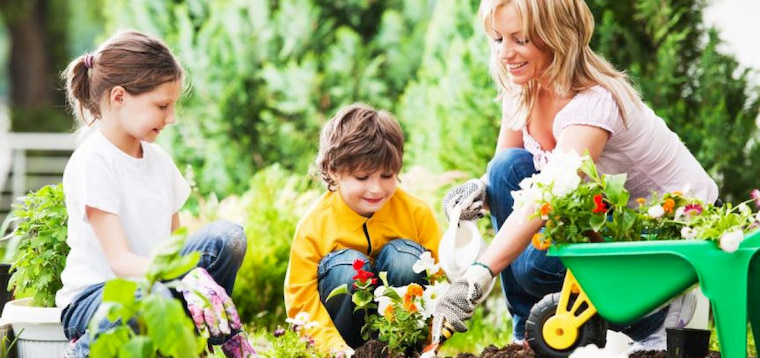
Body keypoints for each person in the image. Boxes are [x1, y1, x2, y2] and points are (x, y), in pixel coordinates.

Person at [432, 0, 718, 351]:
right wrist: (478, 190)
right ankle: (527, 335)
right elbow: (505, 170)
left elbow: (541, 200)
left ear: (557, 37)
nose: (506, 53)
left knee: (534, 265)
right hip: (606, 216)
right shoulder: (522, 85)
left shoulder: (594, 102)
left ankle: (652, 314)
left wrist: (477, 275)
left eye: (520, 40)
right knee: (505, 170)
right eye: (498, 39)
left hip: (667, 236)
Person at [56, 30, 256, 357]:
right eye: (162, 105)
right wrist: (186, 276)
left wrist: (194, 279)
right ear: (119, 97)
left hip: (154, 289)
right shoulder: (95, 161)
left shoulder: (159, 161)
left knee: (227, 238)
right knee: (149, 299)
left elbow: (174, 246)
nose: (172, 118)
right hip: (95, 299)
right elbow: (120, 262)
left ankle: (208, 336)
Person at [284, 103, 443, 355]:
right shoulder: (314, 225)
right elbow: (301, 301)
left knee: (407, 259)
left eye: (387, 175)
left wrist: (431, 345)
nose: (376, 189)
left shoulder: (416, 213)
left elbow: (441, 282)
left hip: (402, 331)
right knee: (348, 266)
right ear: (334, 171)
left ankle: (401, 353)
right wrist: (335, 350)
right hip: (342, 343)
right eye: (362, 178)